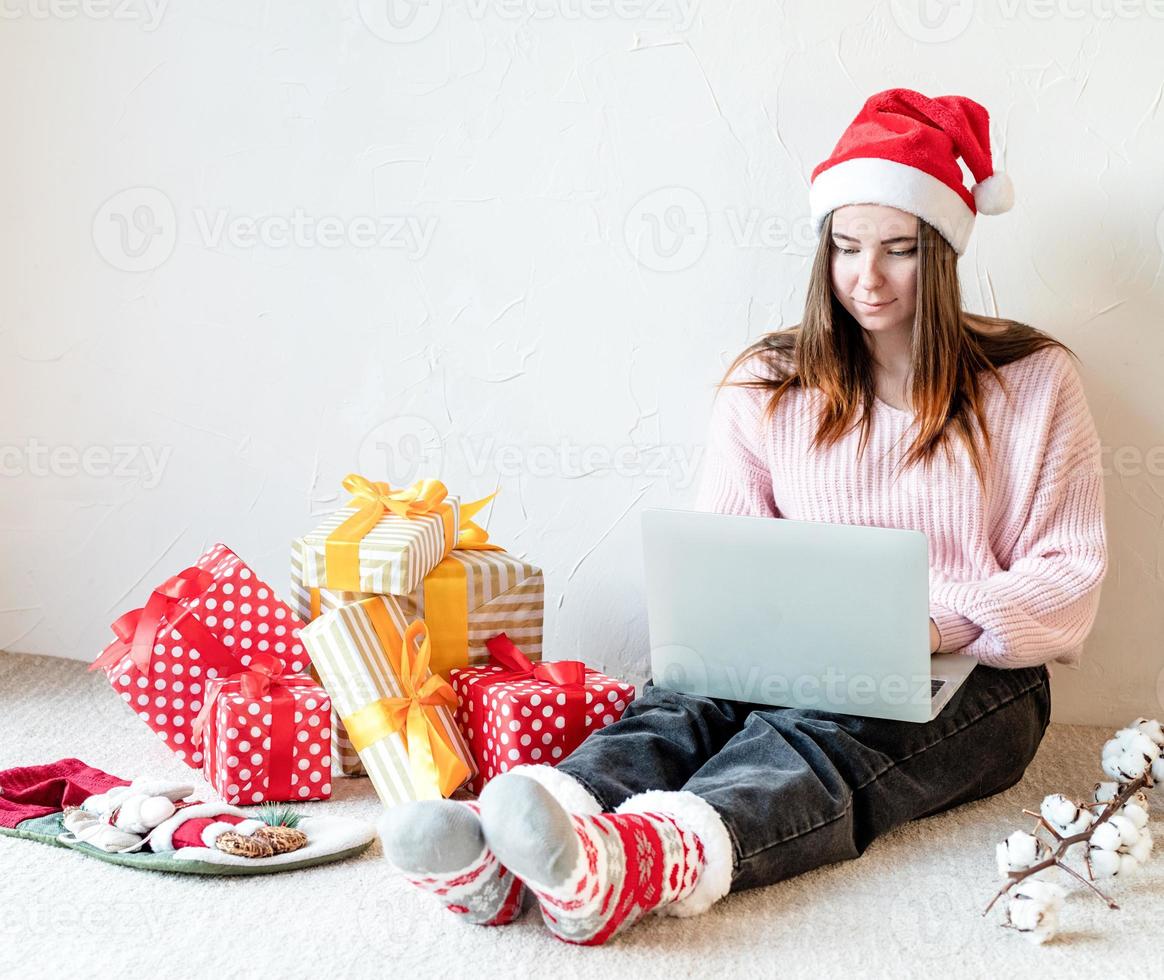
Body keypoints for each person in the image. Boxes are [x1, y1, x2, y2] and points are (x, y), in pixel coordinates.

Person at [378, 88, 1109, 947]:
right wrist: (735, 642)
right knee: (682, 703)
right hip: (784, 654)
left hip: (975, 671)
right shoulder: (768, 383)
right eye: (844, 247)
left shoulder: (1032, 381)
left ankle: (646, 859)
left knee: (817, 743)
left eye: (900, 251)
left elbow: (1069, 578)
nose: (866, 278)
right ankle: (525, 842)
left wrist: (934, 624)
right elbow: (724, 560)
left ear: (943, 251)